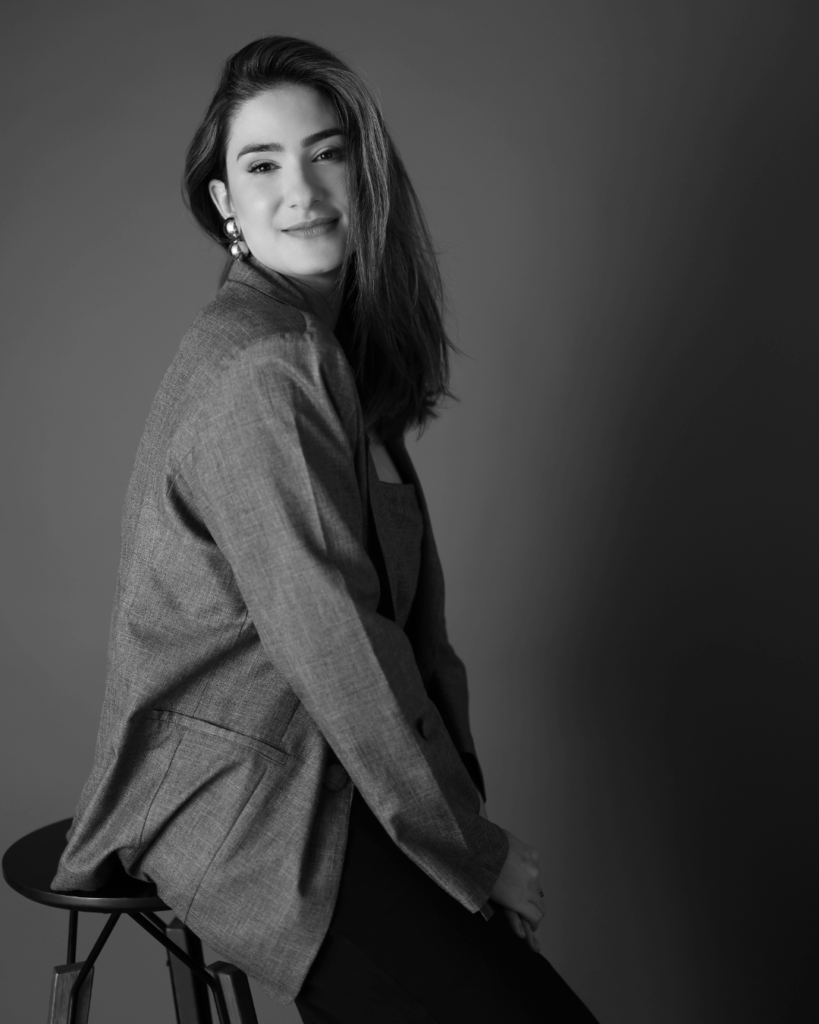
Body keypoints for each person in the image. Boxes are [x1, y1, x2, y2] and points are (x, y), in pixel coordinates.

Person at [52, 35, 599, 1023]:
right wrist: (473, 852)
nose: (300, 189)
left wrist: (458, 825)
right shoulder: (264, 367)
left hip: (334, 769)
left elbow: (405, 633)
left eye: (327, 153)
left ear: (365, 173)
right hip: (248, 799)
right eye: (262, 164)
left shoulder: (323, 352)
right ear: (225, 200)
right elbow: (337, 639)